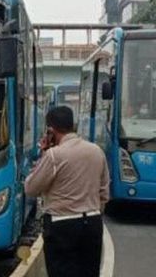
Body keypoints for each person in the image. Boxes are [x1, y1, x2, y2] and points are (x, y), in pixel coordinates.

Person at [25, 106, 110, 277]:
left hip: (62, 225)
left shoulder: (54, 156)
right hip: (92, 224)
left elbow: (31, 188)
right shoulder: (96, 151)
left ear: (50, 130)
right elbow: (104, 193)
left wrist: (44, 153)